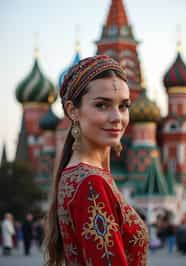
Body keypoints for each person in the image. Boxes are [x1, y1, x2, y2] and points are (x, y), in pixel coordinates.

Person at [44, 55, 149, 266]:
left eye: (124, 106)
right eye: (102, 105)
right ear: (73, 110)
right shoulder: (91, 182)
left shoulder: (76, 174)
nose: (117, 117)